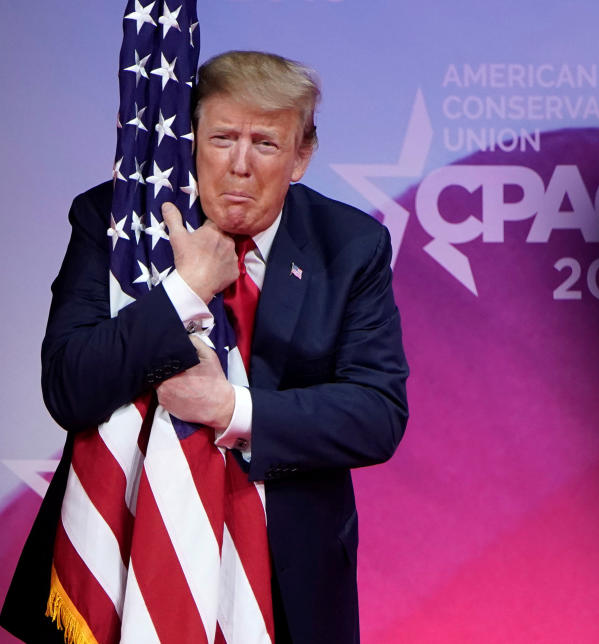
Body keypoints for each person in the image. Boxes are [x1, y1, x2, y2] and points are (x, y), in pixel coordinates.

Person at [1, 51, 409, 643]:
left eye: (265, 144)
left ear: (301, 156)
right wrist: (183, 291)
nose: (239, 165)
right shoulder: (114, 222)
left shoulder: (350, 245)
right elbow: (69, 385)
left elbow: (377, 414)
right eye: (221, 138)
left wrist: (230, 409)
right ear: (190, 139)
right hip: (117, 561)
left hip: (284, 579)